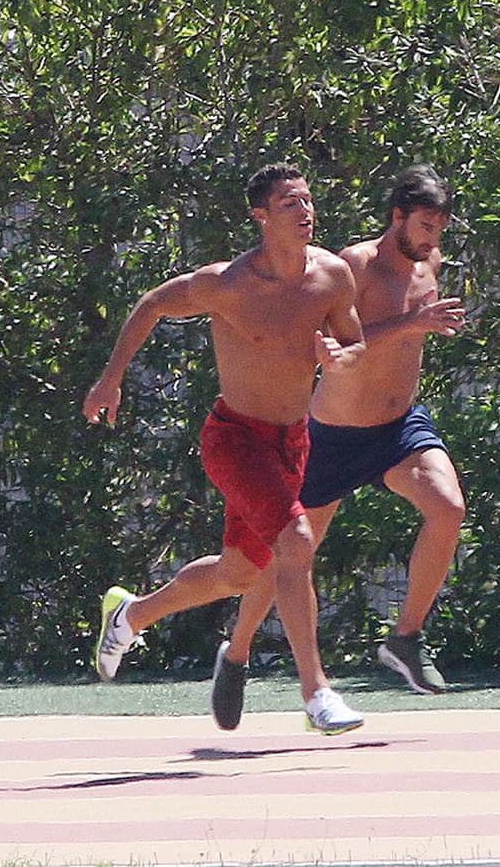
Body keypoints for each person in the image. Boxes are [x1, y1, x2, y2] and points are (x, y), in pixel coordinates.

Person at [83, 162, 369, 734]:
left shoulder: (333, 276)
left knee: (240, 573)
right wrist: (111, 378)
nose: (305, 211)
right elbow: (151, 305)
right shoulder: (229, 284)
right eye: (290, 203)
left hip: (293, 442)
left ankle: (132, 613)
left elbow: (355, 340)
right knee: (297, 541)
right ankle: (317, 694)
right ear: (261, 216)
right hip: (234, 439)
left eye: (307, 200)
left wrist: (343, 359)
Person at [220, 164, 466, 727]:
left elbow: (416, 325)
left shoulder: (430, 266)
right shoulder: (352, 267)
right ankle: (235, 655)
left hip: (398, 429)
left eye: (440, 229)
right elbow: (330, 345)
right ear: (397, 217)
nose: (433, 240)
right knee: (283, 555)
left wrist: (423, 322)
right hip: (332, 435)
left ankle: (404, 639)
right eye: (425, 225)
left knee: (449, 507)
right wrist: (411, 325)